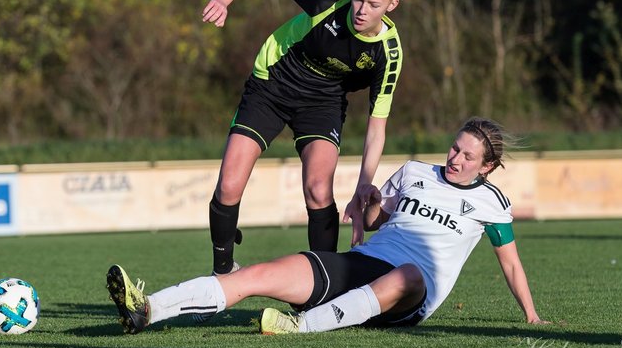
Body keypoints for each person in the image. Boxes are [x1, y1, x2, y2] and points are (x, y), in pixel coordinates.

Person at [107, 117, 545, 335]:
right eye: (454, 148)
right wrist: (370, 206)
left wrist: (531, 314)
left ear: (487, 166)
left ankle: (303, 326)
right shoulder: (415, 172)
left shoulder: (493, 202)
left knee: (410, 274)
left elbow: (510, 263)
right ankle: (147, 310)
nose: (455, 159)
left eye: (468, 157)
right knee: (255, 275)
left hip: (410, 294)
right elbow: (376, 222)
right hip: (362, 264)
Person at [200, 0, 406, 277]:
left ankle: (324, 284)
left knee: (318, 188)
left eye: (373, 4)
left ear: (391, 6)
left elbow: (376, 127)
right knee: (229, 185)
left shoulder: (389, 53)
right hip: (272, 86)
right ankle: (222, 273)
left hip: (322, 103)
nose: (361, 10)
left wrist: (362, 186)